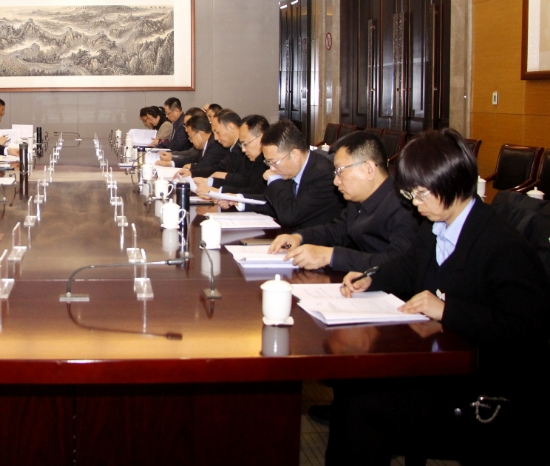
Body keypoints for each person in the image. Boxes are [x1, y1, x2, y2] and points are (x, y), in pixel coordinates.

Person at [329, 129, 550, 465]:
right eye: (410, 194)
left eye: (420, 194)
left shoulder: (501, 245)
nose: (414, 204)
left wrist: (447, 310)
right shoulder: (437, 225)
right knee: (350, 391)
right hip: (445, 360)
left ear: (451, 184)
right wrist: (371, 278)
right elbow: (409, 265)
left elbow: (527, 328)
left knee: (365, 410)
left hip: (488, 388)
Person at [268, 131, 421, 272]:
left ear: (369, 169)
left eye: (340, 171)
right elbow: (336, 230)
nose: (336, 181)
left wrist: (331, 256)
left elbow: (398, 262)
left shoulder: (404, 206)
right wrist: (299, 237)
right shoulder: (357, 199)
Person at [231, 120, 345, 229]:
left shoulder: (322, 175)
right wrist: (238, 199)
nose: (272, 168)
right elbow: (275, 204)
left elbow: (290, 215)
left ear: (295, 155)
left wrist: (275, 180)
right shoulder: (293, 169)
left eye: (274, 162)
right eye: (268, 163)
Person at [171, 114, 227, 178]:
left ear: (201, 134)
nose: (191, 141)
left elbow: (206, 166)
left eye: (190, 137)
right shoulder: (206, 144)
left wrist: (192, 169)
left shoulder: (215, 145)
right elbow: (194, 159)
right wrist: (171, 163)